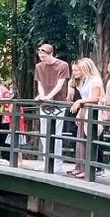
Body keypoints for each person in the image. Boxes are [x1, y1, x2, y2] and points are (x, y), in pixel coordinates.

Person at [64, 58, 104, 179]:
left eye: (79, 68)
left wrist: (80, 101)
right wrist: (80, 109)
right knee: (80, 139)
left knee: (88, 140)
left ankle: (87, 169)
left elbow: (95, 98)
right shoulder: (83, 81)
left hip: (92, 111)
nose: (77, 71)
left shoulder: (95, 80)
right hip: (83, 110)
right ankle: (79, 166)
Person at [35, 44, 70, 172]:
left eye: (43, 55)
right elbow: (39, 84)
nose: (41, 57)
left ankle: (57, 163)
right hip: (45, 103)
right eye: (39, 55)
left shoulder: (63, 65)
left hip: (58, 102)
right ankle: (46, 161)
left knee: (57, 133)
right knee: (44, 132)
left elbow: (60, 85)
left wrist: (48, 97)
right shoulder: (39, 66)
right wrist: (43, 96)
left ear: (50, 53)